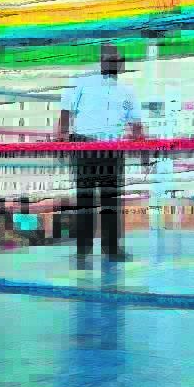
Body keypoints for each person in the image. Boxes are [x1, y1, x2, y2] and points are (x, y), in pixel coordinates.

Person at [58, 43, 144, 268]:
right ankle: (83, 249)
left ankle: (112, 248)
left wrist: (143, 150)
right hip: (84, 145)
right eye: (109, 58)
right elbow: (66, 109)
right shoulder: (82, 81)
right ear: (101, 60)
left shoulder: (127, 91)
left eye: (117, 59)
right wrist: (62, 138)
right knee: (85, 197)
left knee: (111, 199)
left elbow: (136, 123)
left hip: (113, 149)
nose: (114, 62)